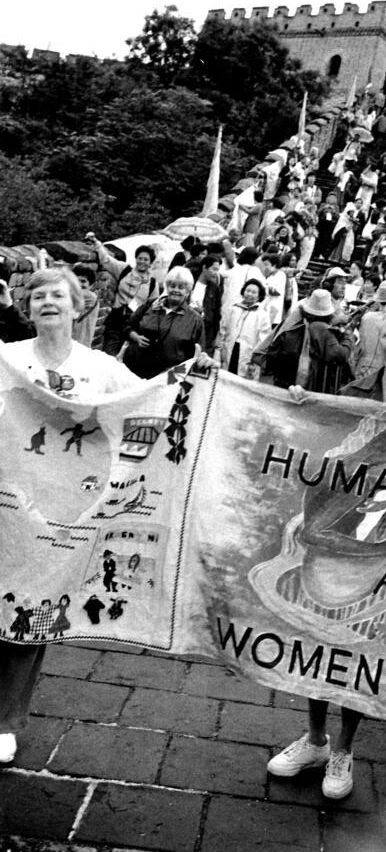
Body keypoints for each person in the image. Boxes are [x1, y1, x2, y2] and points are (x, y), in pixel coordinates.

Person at [268, 298, 386, 799]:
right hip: (340, 528)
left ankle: (345, 749)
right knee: (315, 638)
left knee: (361, 644)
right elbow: (326, 448)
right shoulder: (353, 392)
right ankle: (313, 738)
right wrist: (301, 405)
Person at [0, 267, 143, 765]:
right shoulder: (6, 357)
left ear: (77, 304)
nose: (47, 302)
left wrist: (200, 378)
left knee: (28, 610)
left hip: (63, 511)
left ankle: (4, 721)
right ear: (28, 307)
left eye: (57, 294)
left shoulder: (100, 366)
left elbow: (149, 401)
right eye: (37, 295)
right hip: (6, 500)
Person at [122, 267, 204, 379]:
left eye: (181, 287)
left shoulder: (195, 319)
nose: (176, 290)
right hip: (134, 369)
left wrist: (175, 377)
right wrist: (136, 337)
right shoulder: (150, 305)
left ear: (188, 291)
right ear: (167, 287)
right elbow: (126, 326)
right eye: (172, 285)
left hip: (169, 377)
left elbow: (197, 355)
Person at [85, 233, 158, 356]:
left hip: (134, 323)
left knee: (126, 357)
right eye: (140, 258)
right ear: (135, 259)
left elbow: (153, 307)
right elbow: (107, 260)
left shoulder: (152, 283)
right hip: (116, 319)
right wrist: (97, 244)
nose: (142, 262)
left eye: (146, 259)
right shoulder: (124, 270)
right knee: (109, 354)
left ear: (150, 262)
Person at [219, 279, 271, 379]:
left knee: (244, 381)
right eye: (248, 290)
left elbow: (263, 341)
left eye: (254, 292)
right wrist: (219, 350)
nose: (249, 294)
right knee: (227, 376)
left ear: (259, 296)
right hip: (231, 348)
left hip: (248, 353)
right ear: (243, 291)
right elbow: (223, 330)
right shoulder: (233, 309)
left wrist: (256, 359)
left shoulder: (262, 315)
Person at [190, 255, 223, 355]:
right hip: (187, 326)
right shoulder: (190, 282)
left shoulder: (214, 288)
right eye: (214, 269)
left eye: (218, 270)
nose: (216, 273)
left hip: (205, 331)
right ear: (204, 267)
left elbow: (217, 314)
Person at [71, 264, 100, 348]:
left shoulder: (91, 297)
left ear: (91, 285)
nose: (79, 284)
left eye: (83, 281)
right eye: (75, 281)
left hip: (81, 345)